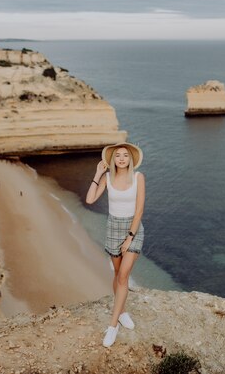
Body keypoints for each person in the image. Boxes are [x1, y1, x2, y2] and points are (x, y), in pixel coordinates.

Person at [86, 142, 145, 348]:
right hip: (112, 228)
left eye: (125, 155)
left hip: (133, 230)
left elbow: (139, 211)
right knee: (118, 275)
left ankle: (112, 326)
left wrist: (130, 236)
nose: (121, 158)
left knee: (123, 276)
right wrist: (97, 173)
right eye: (118, 155)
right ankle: (122, 312)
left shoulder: (139, 178)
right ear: (113, 159)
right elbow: (90, 199)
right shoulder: (107, 178)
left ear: (130, 160)